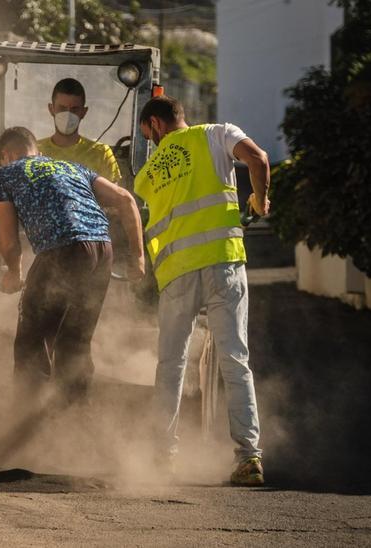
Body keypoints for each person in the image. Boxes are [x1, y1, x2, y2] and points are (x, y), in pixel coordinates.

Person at [135, 96, 270, 486]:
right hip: (223, 263)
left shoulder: (146, 176)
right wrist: (259, 202)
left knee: (171, 365)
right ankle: (248, 457)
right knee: (234, 360)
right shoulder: (216, 135)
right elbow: (258, 160)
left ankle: (163, 457)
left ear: (156, 127)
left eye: (148, 135)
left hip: (177, 274)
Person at [0, 127, 145, 406]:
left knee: (30, 345)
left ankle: (23, 427)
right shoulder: (72, 168)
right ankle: (74, 424)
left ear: (6, 155)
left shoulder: (6, 173)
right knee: (74, 344)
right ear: (36, 150)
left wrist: (14, 272)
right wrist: (138, 257)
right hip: (102, 250)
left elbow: (8, 240)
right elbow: (126, 200)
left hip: (62, 250)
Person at [38, 78, 123, 183]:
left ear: (83, 112)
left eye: (74, 109)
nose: (68, 115)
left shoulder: (101, 154)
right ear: (51, 109)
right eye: (62, 108)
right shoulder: (35, 151)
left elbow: (114, 196)